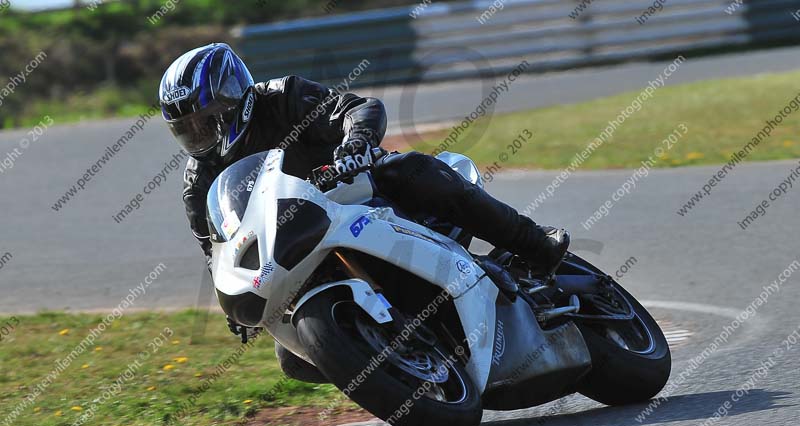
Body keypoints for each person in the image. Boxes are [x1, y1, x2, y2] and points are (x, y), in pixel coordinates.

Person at [159, 43, 569, 367]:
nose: (199, 135)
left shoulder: (282, 96)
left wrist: (356, 144)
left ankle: (533, 242)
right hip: (296, 238)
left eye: (205, 119)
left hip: (353, 184)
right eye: (186, 129)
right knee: (294, 359)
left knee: (413, 170)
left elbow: (358, 108)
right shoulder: (199, 181)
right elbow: (215, 248)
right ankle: (400, 358)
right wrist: (234, 297)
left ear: (233, 98)